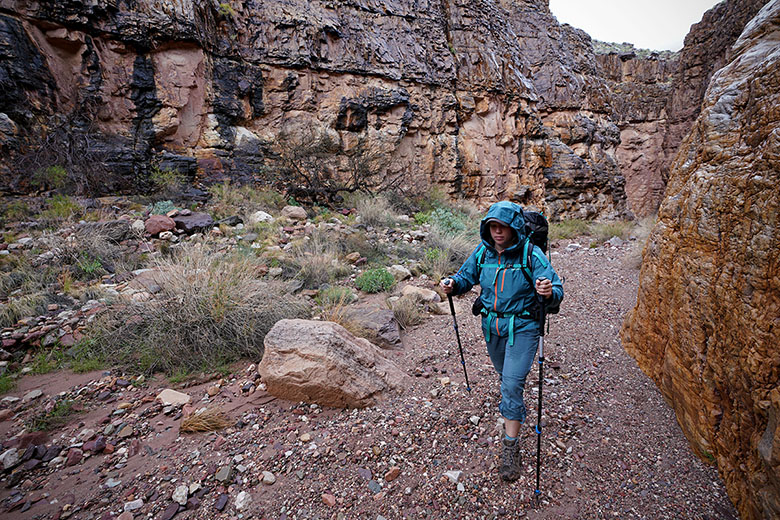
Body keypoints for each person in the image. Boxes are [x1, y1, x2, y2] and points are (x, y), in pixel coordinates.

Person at [440, 201, 563, 482]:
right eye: (493, 226)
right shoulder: (483, 252)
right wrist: (452, 284)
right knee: (504, 376)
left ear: (514, 227)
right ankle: (513, 406)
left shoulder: (530, 254)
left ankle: (511, 447)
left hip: (523, 326)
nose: (497, 232)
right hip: (492, 327)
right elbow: (465, 277)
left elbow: (556, 288)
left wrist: (547, 291)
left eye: (503, 227)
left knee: (510, 383)